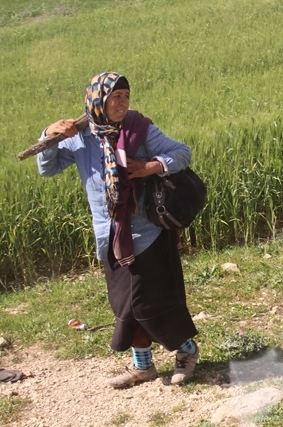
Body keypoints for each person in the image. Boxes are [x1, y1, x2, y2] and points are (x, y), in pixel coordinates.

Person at [37, 72, 200, 388]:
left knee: (155, 302)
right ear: (98, 101)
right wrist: (48, 133)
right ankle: (144, 366)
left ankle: (187, 352)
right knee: (126, 305)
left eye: (126, 95)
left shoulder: (139, 129)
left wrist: (149, 167)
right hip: (110, 235)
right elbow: (48, 168)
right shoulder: (81, 136)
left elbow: (181, 153)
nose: (123, 102)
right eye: (116, 96)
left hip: (148, 233)